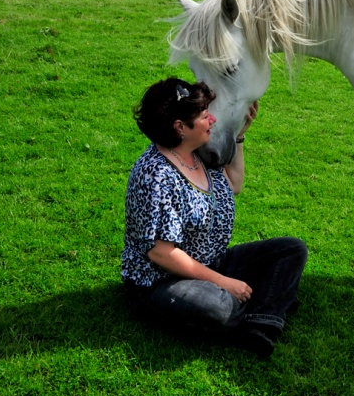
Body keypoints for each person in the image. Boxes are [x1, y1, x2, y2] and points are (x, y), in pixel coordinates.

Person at [121, 77, 307, 358]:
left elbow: (235, 183)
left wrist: (240, 135)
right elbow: (162, 255)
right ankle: (267, 308)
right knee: (218, 307)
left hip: (212, 262)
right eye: (205, 116)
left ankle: (258, 316)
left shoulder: (198, 154)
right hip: (161, 280)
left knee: (291, 250)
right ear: (180, 127)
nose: (212, 120)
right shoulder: (155, 175)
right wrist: (223, 282)